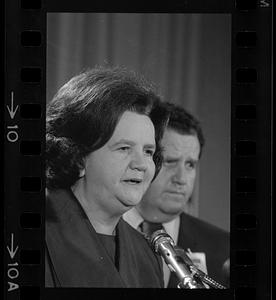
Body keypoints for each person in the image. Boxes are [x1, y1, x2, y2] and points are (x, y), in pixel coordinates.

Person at [45, 66, 169, 287]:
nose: (141, 164)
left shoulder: (147, 255)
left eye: (148, 151)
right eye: (124, 148)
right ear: (78, 156)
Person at [124, 102, 230, 288]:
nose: (181, 179)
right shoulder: (100, 232)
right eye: (170, 162)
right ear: (146, 159)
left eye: (190, 165)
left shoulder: (224, 249)